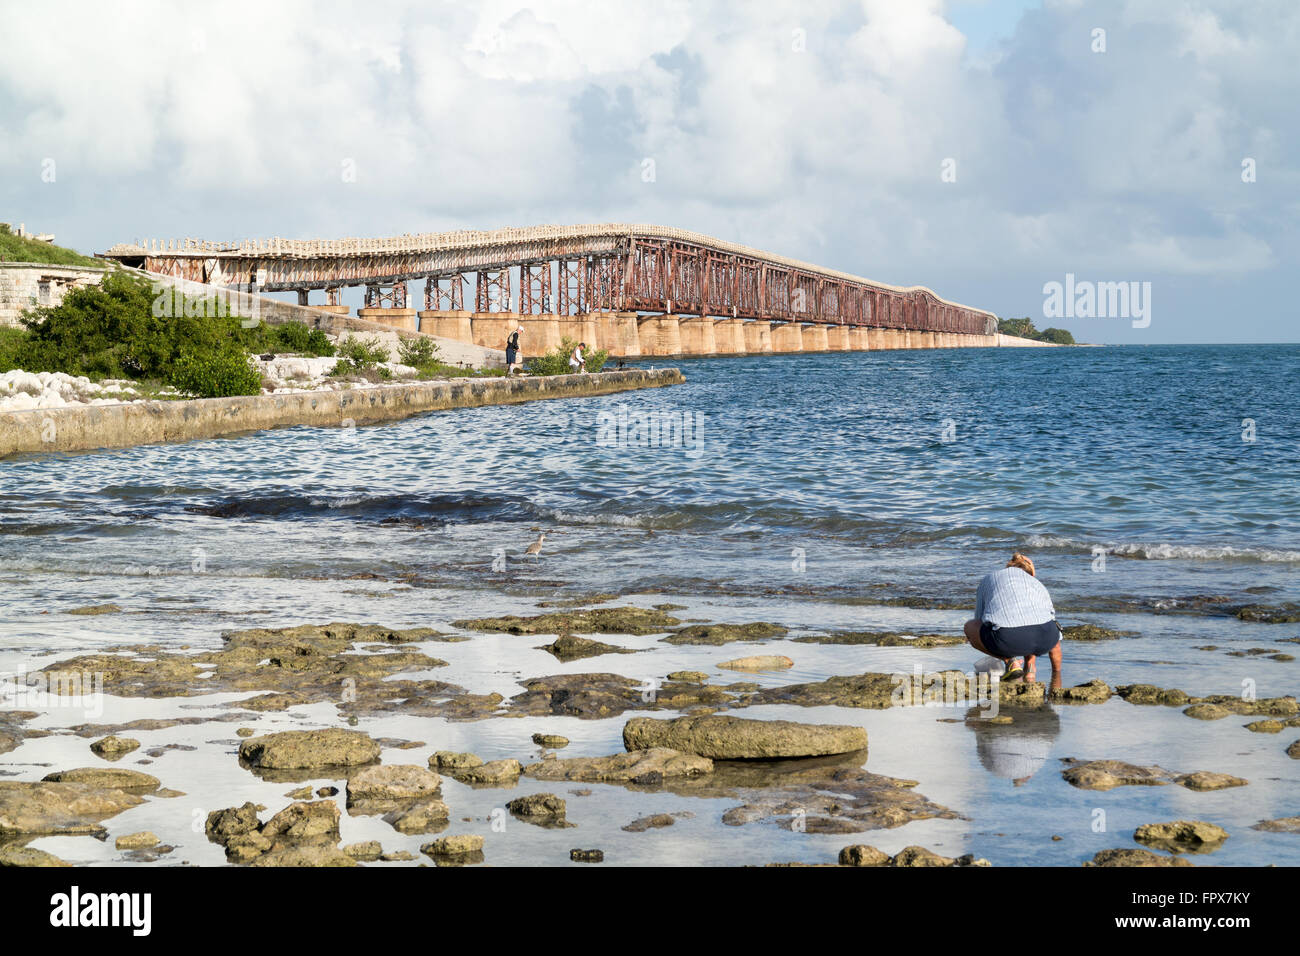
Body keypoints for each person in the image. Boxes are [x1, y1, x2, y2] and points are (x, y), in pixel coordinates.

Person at [963, 553, 1062, 687]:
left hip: (1009, 639)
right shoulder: (1036, 583)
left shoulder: (990, 578)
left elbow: (980, 621)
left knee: (970, 627)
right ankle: (1045, 676)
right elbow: (1051, 621)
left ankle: (1010, 661)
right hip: (1047, 639)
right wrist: (1056, 675)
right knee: (1038, 624)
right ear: (1031, 574)